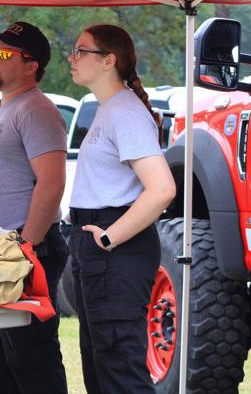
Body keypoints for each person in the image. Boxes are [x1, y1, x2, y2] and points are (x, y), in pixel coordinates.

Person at [66, 24, 175, 393]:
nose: (72, 58)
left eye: (81, 51)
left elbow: (161, 189)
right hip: (95, 243)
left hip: (113, 244)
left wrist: (111, 237)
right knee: (101, 364)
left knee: (119, 369)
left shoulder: (125, 111)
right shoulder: (110, 109)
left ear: (108, 60)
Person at [0, 21, 69, 394]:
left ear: (31, 66)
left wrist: (28, 246)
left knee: (31, 360)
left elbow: (53, 182)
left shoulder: (37, 110)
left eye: (5, 53)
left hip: (25, 251)